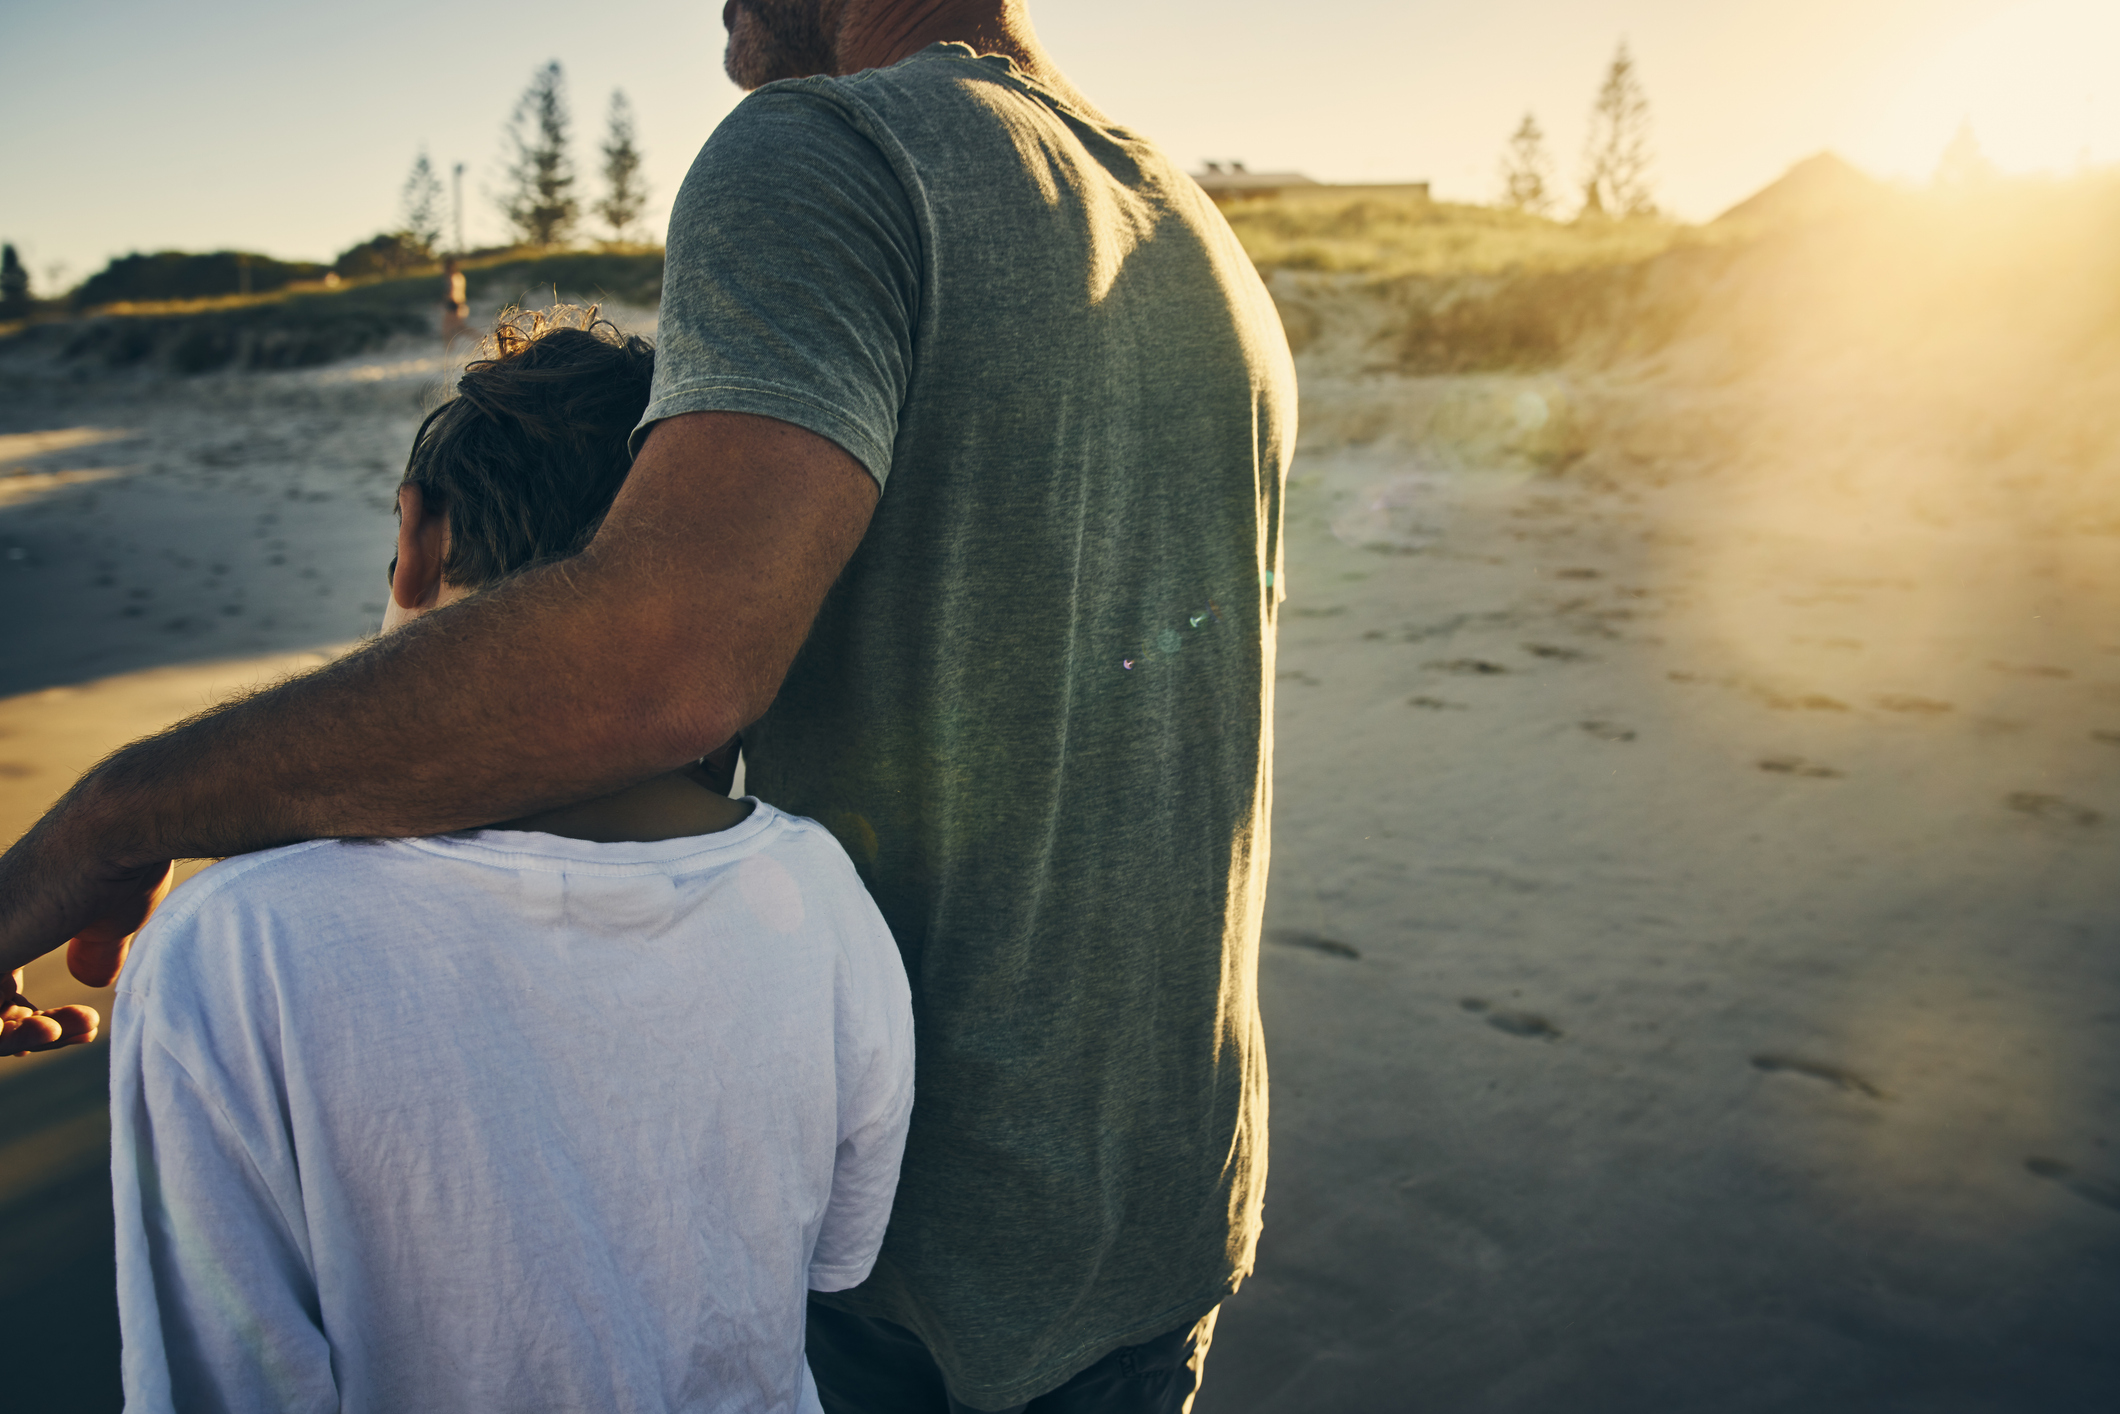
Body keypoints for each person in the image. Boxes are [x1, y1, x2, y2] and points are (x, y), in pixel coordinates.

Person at [0, 3, 1295, 1410]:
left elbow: (668, 655)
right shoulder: (1195, 238)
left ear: (416, 533)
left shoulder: (834, 148)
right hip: (1160, 1228)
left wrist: (117, 815)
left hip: (907, 1303)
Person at [108, 310, 916, 1412]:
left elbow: (221, 1380)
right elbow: (834, 1253)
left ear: (418, 539)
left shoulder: (234, 946)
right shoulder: (816, 891)